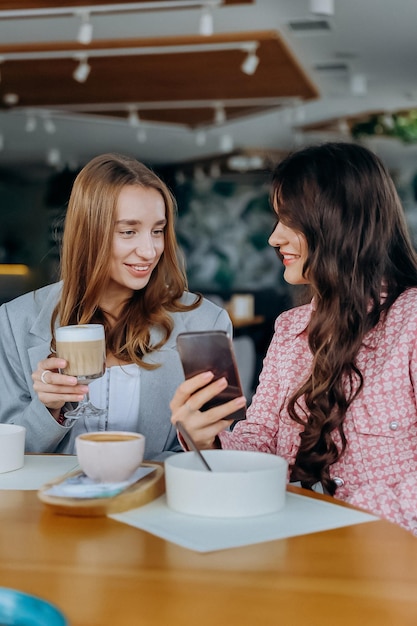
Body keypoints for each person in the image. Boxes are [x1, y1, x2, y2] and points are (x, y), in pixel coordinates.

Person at [170, 141, 417, 534]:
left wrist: (331, 513)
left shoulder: (411, 321)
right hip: (291, 542)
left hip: (382, 559)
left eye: (290, 220)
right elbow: (260, 442)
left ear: (338, 222)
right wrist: (209, 440)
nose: (274, 238)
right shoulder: (289, 329)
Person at [0, 153, 231, 460]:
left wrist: (203, 441)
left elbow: (225, 449)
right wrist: (48, 409)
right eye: (128, 231)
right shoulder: (16, 321)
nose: (149, 250)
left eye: (157, 230)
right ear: (89, 234)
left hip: (154, 501)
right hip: (51, 505)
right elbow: (9, 455)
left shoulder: (206, 322)